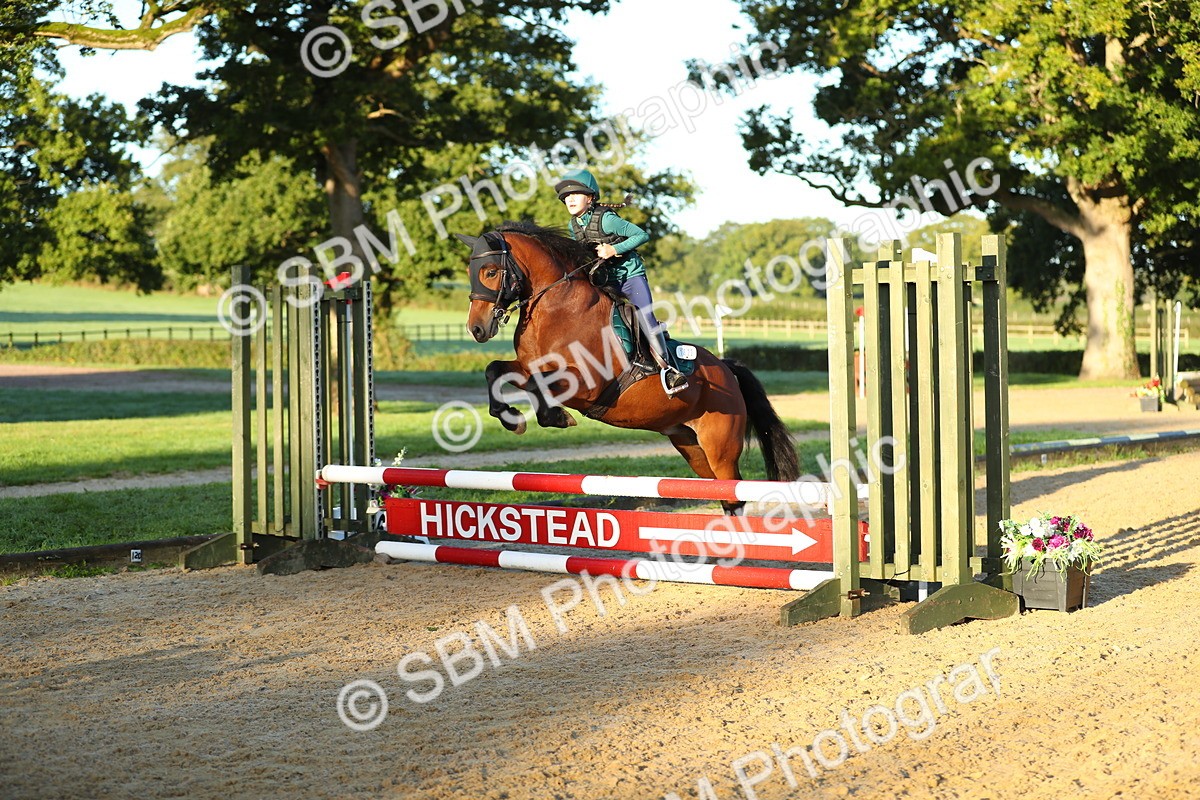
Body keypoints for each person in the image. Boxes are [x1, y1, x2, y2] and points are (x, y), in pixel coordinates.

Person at [553, 168, 689, 396]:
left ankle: (669, 370)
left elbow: (641, 235)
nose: (570, 199)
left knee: (645, 317)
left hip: (629, 277)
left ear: (590, 197)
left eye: (575, 194)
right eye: (566, 197)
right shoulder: (573, 226)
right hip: (606, 281)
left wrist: (614, 248)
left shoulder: (607, 219)